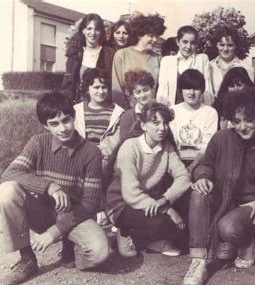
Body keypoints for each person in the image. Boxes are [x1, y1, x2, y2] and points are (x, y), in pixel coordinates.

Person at [0, 92, 110, 285]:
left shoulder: (91, 152)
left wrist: (53, 233)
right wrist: (49, 186)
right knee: (7, 190)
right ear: (45, 126)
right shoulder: (38, 143)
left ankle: (71, 245)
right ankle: (27, 259)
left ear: (74, 117)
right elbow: (9, 173)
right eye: (54, 124)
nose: (63, 128)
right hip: (42, 212)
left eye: (66, 120)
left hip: (74, 216)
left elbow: (91, 204)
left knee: (100, 252)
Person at [182, 87, 255, 285]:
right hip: (223, 200)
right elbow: (205, 164)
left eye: (249, 121)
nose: (243, 127)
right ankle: (198, 261)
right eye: (237, 121)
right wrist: (203, 177)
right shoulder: (221, 138)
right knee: (198, 192)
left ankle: (245, 242)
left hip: (250, 208)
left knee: (228, 227)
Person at [105, 101, 191, 258]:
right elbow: (131, 194)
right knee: (167, 223)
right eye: (155, 123)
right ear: (143, 125)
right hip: (122, 205)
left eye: (165, 123)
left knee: (182, 225)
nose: (162, 128)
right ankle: (126, 232)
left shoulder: (166, 147)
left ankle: (147, 240)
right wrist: (166, 209)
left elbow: (184, 177)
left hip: (150, 203)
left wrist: (166, 200)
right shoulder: (130, 147)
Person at [73, 68, 125, 226]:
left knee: (100, 166)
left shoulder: (117, 112)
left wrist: (99, 154)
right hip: (80, 154)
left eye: (104, 87)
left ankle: (103, 210)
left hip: (105, 157)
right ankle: (92, 210)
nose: (101, 91)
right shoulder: (76, 111)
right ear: (87, 88)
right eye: (96, 87)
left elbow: (115, 139)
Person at [112, 13, 166, 109]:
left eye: (156, 36)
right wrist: (126, 113)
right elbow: (117, 90)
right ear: (140, 35)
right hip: (127, 111)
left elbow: (159, 90)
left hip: (151, 112)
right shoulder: (122, 55)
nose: (155, 40)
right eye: (151, 36)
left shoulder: (158, 58)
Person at [63, 13, 114, 103]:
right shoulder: (75, 54)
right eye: (89, 28)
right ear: (83, 30)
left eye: (97, 29)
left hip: (102, 105)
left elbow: (112, 84)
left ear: (101, 32)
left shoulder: (109, 54)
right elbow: (68, 84)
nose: (93, 33)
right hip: (78, 105)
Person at [157, 25, 213, 106]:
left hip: (196, 111)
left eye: (192, 43)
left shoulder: (202, 59)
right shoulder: (167, 61)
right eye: (185, 42)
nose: (188, 46)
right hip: (173, 111)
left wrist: (206, 112)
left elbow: (207, 90)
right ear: (177, 42)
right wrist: (164, 114)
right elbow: (162, 92)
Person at [170, 69, 218, 164]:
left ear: (202, 90)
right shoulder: (173, 111)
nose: (191, 93)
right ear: (181, 90)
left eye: (196, 88)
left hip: (202, 160)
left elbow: (207, 146)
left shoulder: (210, 112)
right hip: (176, 160)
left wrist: (192, 166)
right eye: (187, 88)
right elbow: (172, 142)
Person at [207, 24, 254, 98]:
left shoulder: (247, 68)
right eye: (222, 45)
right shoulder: (209, 67)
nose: (225, 49)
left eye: (230, 45)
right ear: (216, 45)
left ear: (236, 46)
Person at [119, 70, 157, 140]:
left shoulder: (161, 111)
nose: (142, 95)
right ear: (133, 95)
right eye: (138, 92)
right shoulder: (127, 116)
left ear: (152, 89)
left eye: (146, 90)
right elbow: (123, 143)